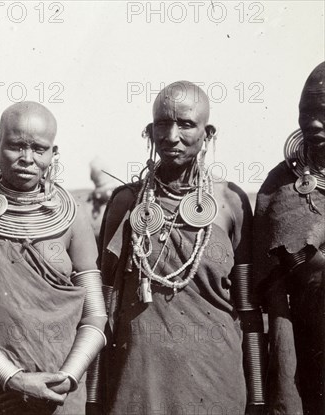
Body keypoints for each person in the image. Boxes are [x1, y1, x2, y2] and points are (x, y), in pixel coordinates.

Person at [99, 81, 266, 414]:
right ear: (150, 130)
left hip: (214, 376)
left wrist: (258, 395)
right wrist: (94, 395)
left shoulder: (230, 203)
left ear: (208, 132)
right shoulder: (125, 203)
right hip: (139, 378)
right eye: (162, 123)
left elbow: (248, 309)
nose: (172, 135)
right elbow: (101, 306)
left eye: (186, 124)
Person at [0, 101, 107, 414]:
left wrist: (67, 377)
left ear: (54, 154)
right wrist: (13, 378)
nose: (28, 159)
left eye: (39, 149)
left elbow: (95, 314)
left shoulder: (73, 218)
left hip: (57, 393)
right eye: (16, 146)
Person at [254, 61, 325, 415]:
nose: (313, 122)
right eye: (306, 112)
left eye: (323, 112)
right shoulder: (280, 186)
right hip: (308, 346)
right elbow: (273, 288)